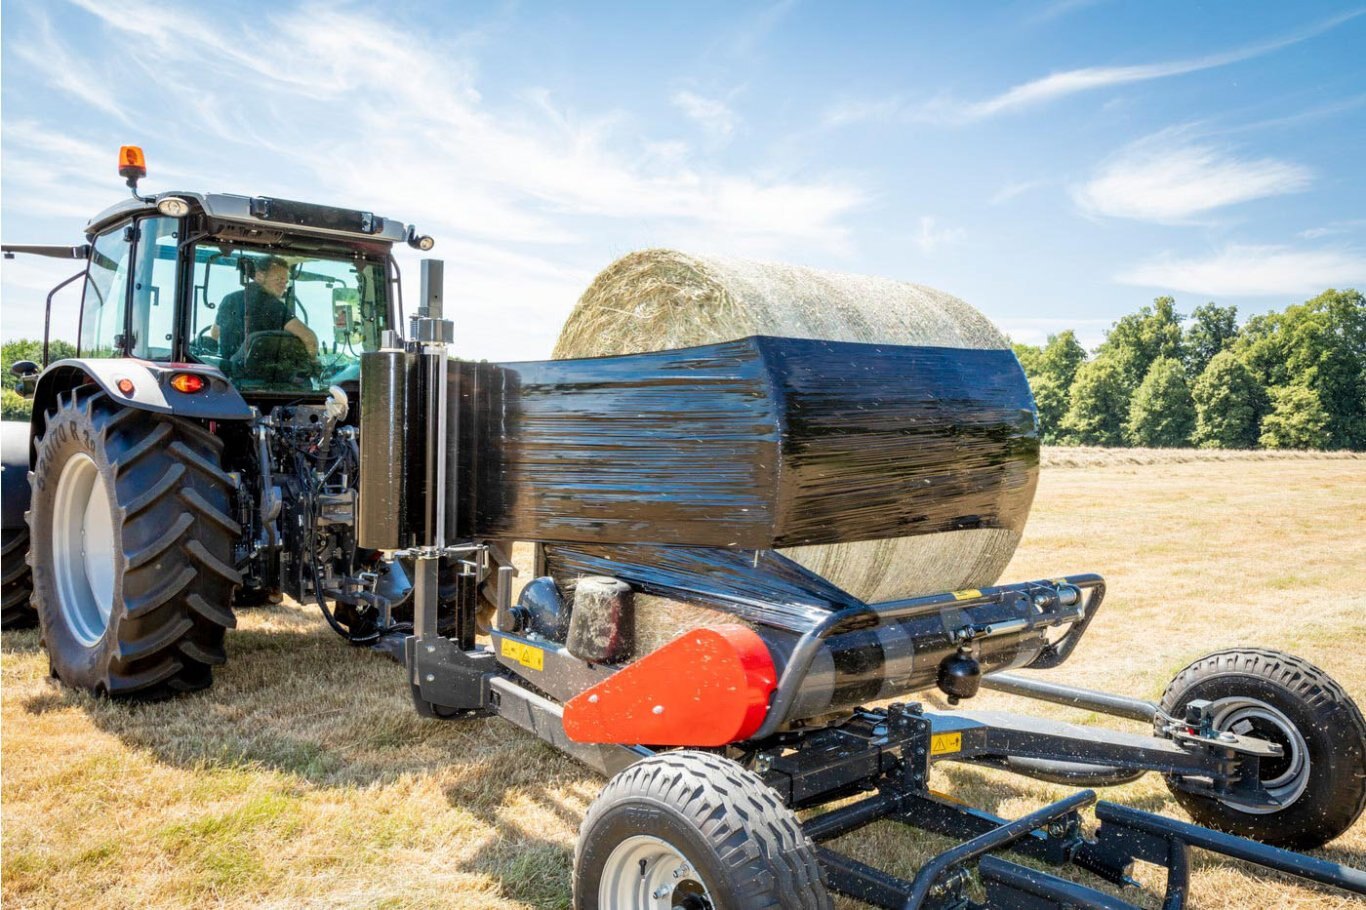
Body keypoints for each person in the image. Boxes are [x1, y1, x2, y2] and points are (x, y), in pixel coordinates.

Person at [211, 256, 318, 361]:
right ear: (259, 276)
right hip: (263, 373)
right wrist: (312, 365)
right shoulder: (273, 305)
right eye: (279, 279)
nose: (284, 286)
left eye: (286, 282)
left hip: (229, 371)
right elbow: (309, 339)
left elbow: (215, 333)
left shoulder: (229, 299)